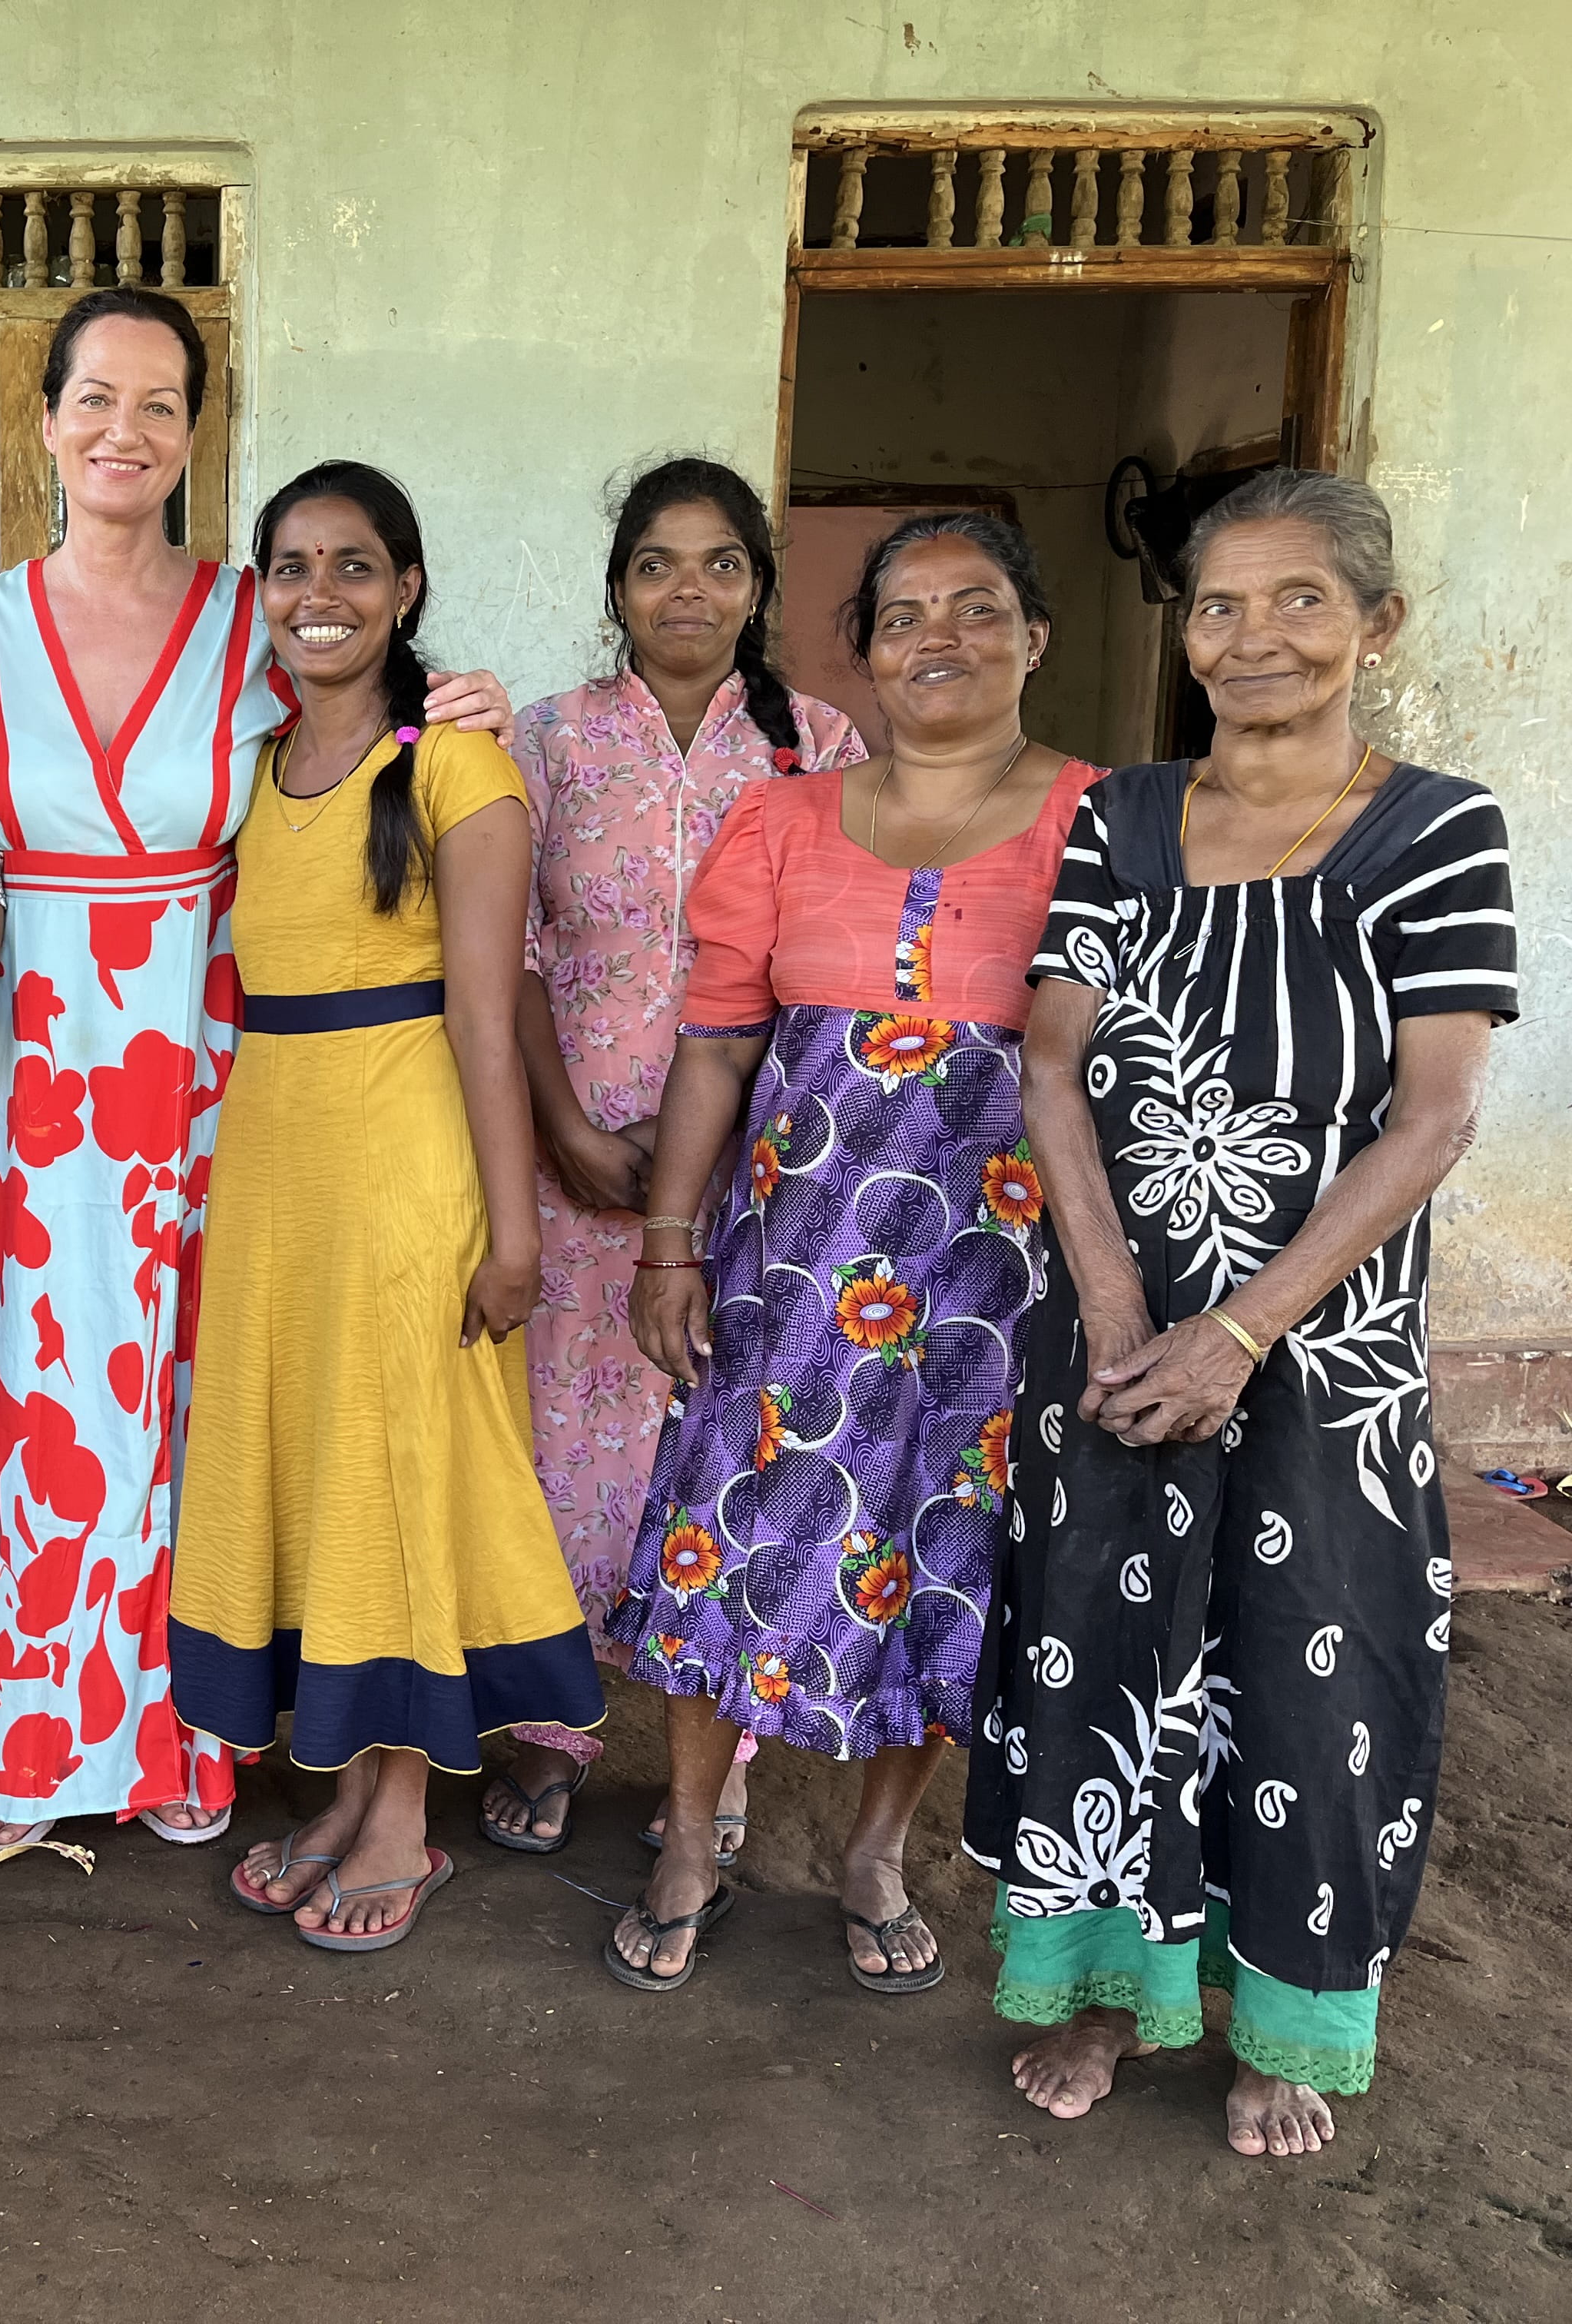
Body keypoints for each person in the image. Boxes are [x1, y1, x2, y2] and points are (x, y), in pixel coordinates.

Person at [967, 470, 1511, 2156]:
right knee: (1105, 1649)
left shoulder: (1435, 830)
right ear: (1182, 629)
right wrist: (1123, 1304)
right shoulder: (1121, 818)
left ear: (1375, 624)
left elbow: (1432, 1117)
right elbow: (1051, 1064)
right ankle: (1116, 2000)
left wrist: (1240, 1332)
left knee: (1300, 1677)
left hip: (1314, 1352)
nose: (1254, 637)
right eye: (1220, 605)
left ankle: (1281, 2019)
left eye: (1298, 602)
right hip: (1116, 1343)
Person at [0, 285, 513, 1851]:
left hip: (206, 1060)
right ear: (47, 420)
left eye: (161, 403)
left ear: (196, 433)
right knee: (35, 1397)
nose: (126, 430)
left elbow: (366, 734)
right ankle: (44, 1745)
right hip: (25, 1058)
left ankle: (191, 1747)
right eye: (96, 398)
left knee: (197, 1394)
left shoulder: (252, 625)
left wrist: (464, 703)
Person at [602, 510, 1099, 1995]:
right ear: (862, 649)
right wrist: (666, 1245)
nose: (935, 637)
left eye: (975, 608)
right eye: (901, 615)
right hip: (789, 1261)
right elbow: (711, 1053)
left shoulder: (1107, 822)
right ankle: (693, 1831)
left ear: (1034, 638)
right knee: (734, 1526)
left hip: (996, 1275)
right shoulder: (781, 822)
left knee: (944, 1551)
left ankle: (879, 1843)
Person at [172, 464, 604, 1950]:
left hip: (408, 1166)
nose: (318, 595)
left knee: (403, 1472)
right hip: (282, 1166)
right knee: (327, 1474)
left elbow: (487, 1020)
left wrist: (515, 1228)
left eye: (353, 566)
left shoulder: (455, 769)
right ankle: (351, 1791)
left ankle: (406, 1818)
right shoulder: (255, 768)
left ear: (406, 589)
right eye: (289, 567)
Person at [487, 456, 869, 1861]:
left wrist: (718, 1155)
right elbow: (509, 948)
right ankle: (549, 1724)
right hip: (572, 1144)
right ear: (616, 589)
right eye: (655, 562)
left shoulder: (818, 748)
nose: (686, 589)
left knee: (727, 1449)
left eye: (717, 562)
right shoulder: (545, 739)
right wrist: (571, 1127)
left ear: (758, 584)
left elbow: (830, 963)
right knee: (560, 1450)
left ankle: (721, 1755)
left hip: (756, 1168)